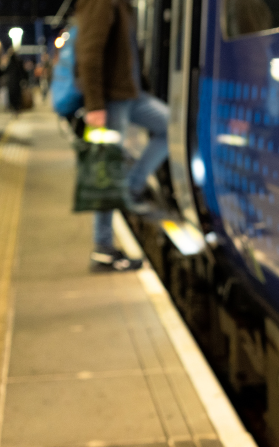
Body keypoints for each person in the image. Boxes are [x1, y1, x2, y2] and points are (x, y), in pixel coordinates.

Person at [76, 0, 169, 272]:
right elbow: (88, 53)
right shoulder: (101, 3)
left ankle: (132, 186)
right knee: (106, 172)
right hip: (110, 101)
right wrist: (95, 106)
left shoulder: (120, 4)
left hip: (130, 96)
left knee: (171, 127)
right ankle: (103, 249)